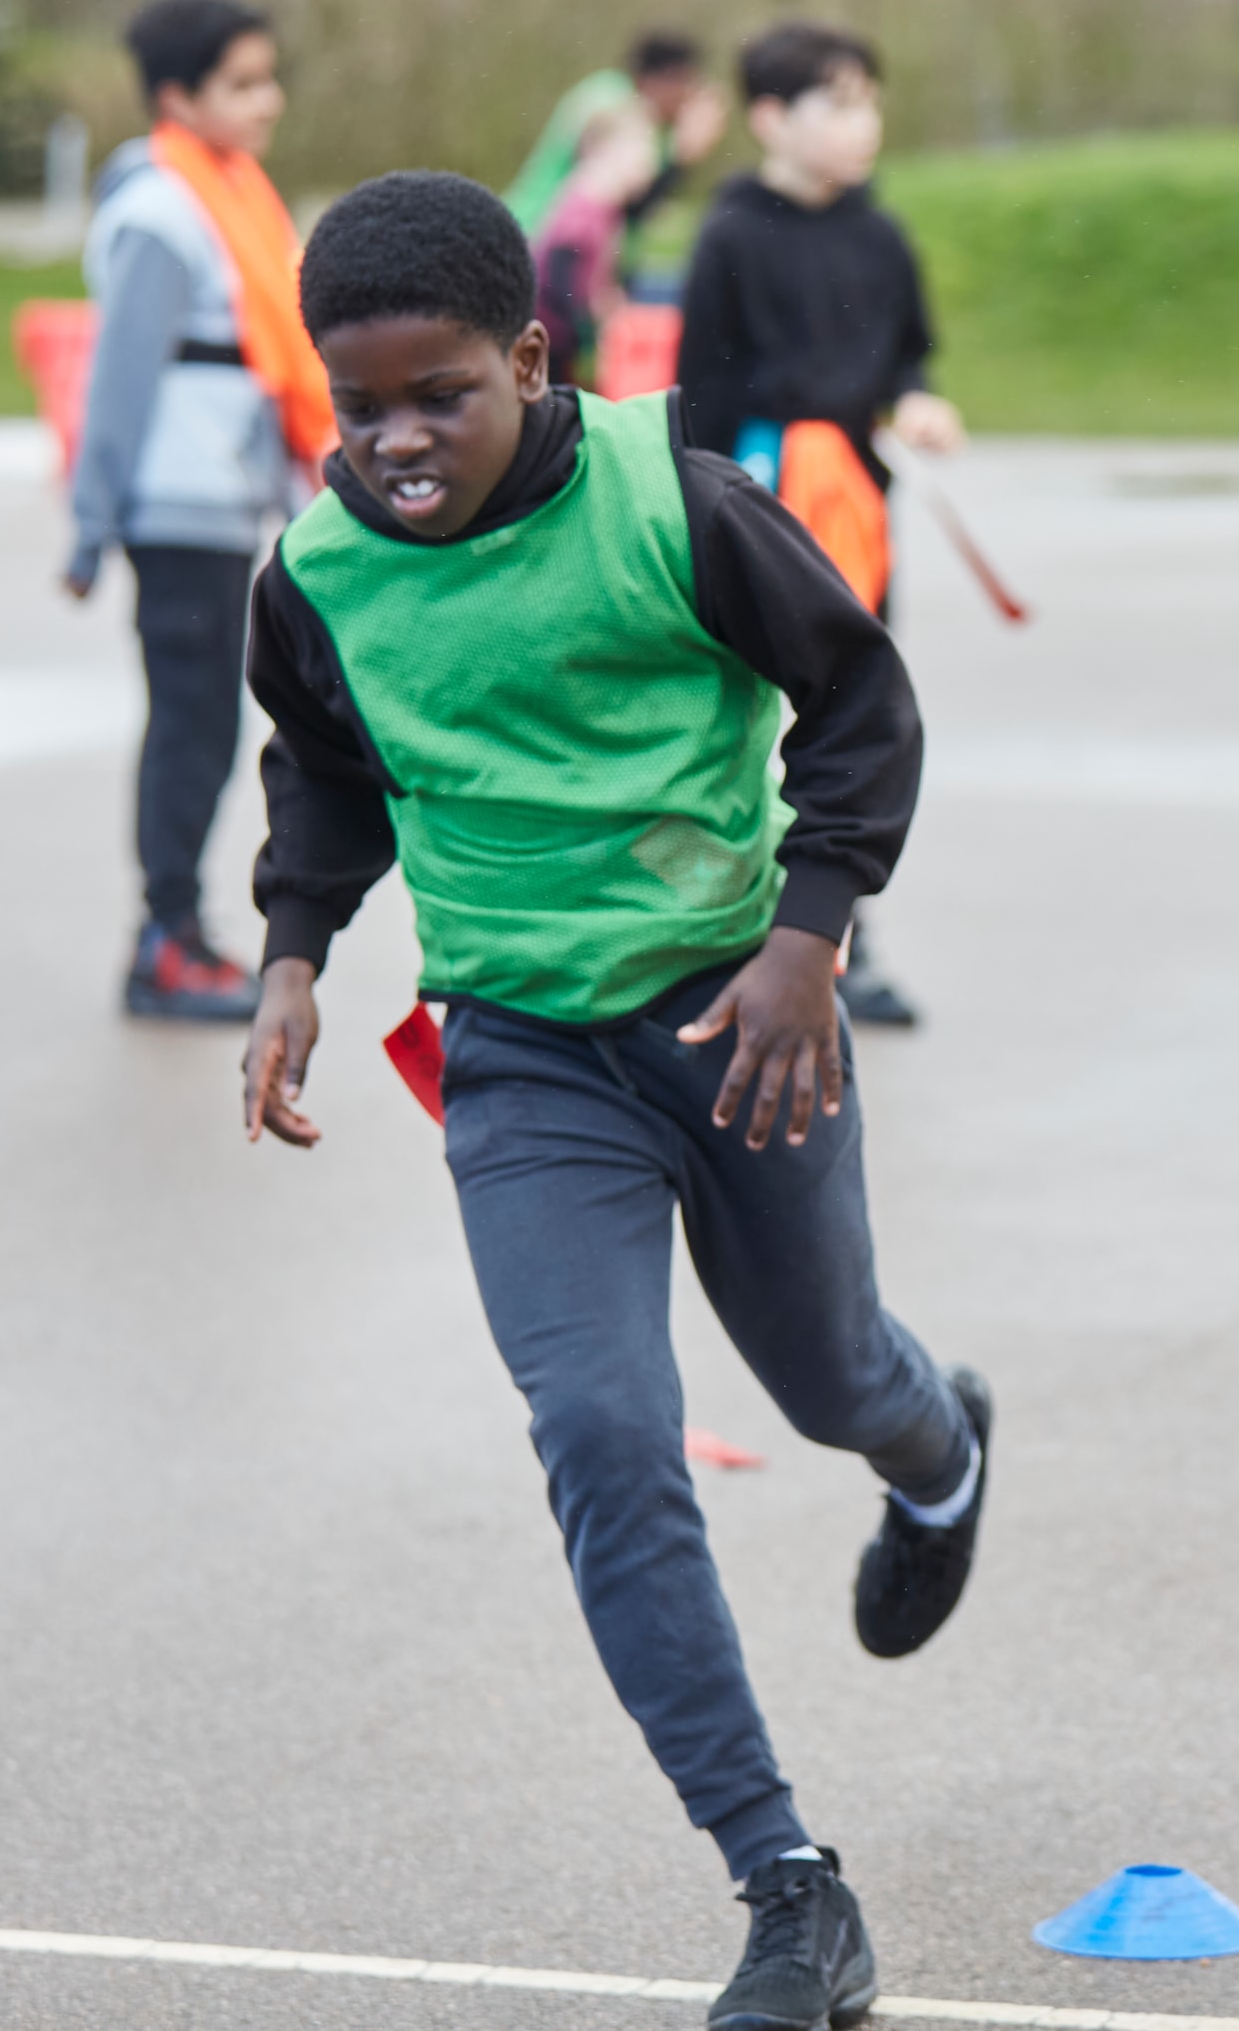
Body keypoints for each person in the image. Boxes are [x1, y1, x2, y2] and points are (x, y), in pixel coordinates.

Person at [238, 169, 991, 2031]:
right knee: (601, 1433)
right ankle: (787, 1885)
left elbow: (861, 703)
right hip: (521, 1056)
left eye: (445, 397)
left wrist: (813, 933)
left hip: (744, 1024)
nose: (403, 443)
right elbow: (325, 775)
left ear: (529, 355)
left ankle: (943, 1447)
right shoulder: (316, 573)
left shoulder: (679, 502)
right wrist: (292, 958)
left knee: (834, 1384)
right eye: (367, 406)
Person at [676, 20, 962, 1029]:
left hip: (857, 505)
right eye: (836, 103)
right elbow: (699, 396)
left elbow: (907, 358)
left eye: (869, 101)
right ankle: (725, 927)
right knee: (745, 718)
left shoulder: (879, 235)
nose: (862, 123)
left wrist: (916, 403)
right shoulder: (730, 236)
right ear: (769, 119)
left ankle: (841, 935)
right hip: (760, 501)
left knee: (850, 710)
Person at [66, 0, 334, 1021]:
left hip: (223, 504)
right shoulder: (162, 213)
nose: (268, 101)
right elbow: (121, 384)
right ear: (178, 96)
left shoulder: (233, 196)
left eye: (270, 78)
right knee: (193, 727)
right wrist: (92, 524)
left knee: (211, 725)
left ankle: (176, 928)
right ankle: (164, 941)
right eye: (243, 83)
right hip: (175, 511)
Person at [503, 31, 728, 240]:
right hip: (540, 241)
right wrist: (682, 154)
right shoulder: (615, 103)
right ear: (664, 80)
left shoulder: (636, 112)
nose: (689, 97)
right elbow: (626, 205)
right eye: (688, 83)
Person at [531, 104, 662, 391]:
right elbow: (558, 277)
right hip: (549, 341)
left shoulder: (607, 208)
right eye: (642, 152)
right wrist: (590, 335)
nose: (651, 164)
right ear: (604, 150)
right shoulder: (585, 204)